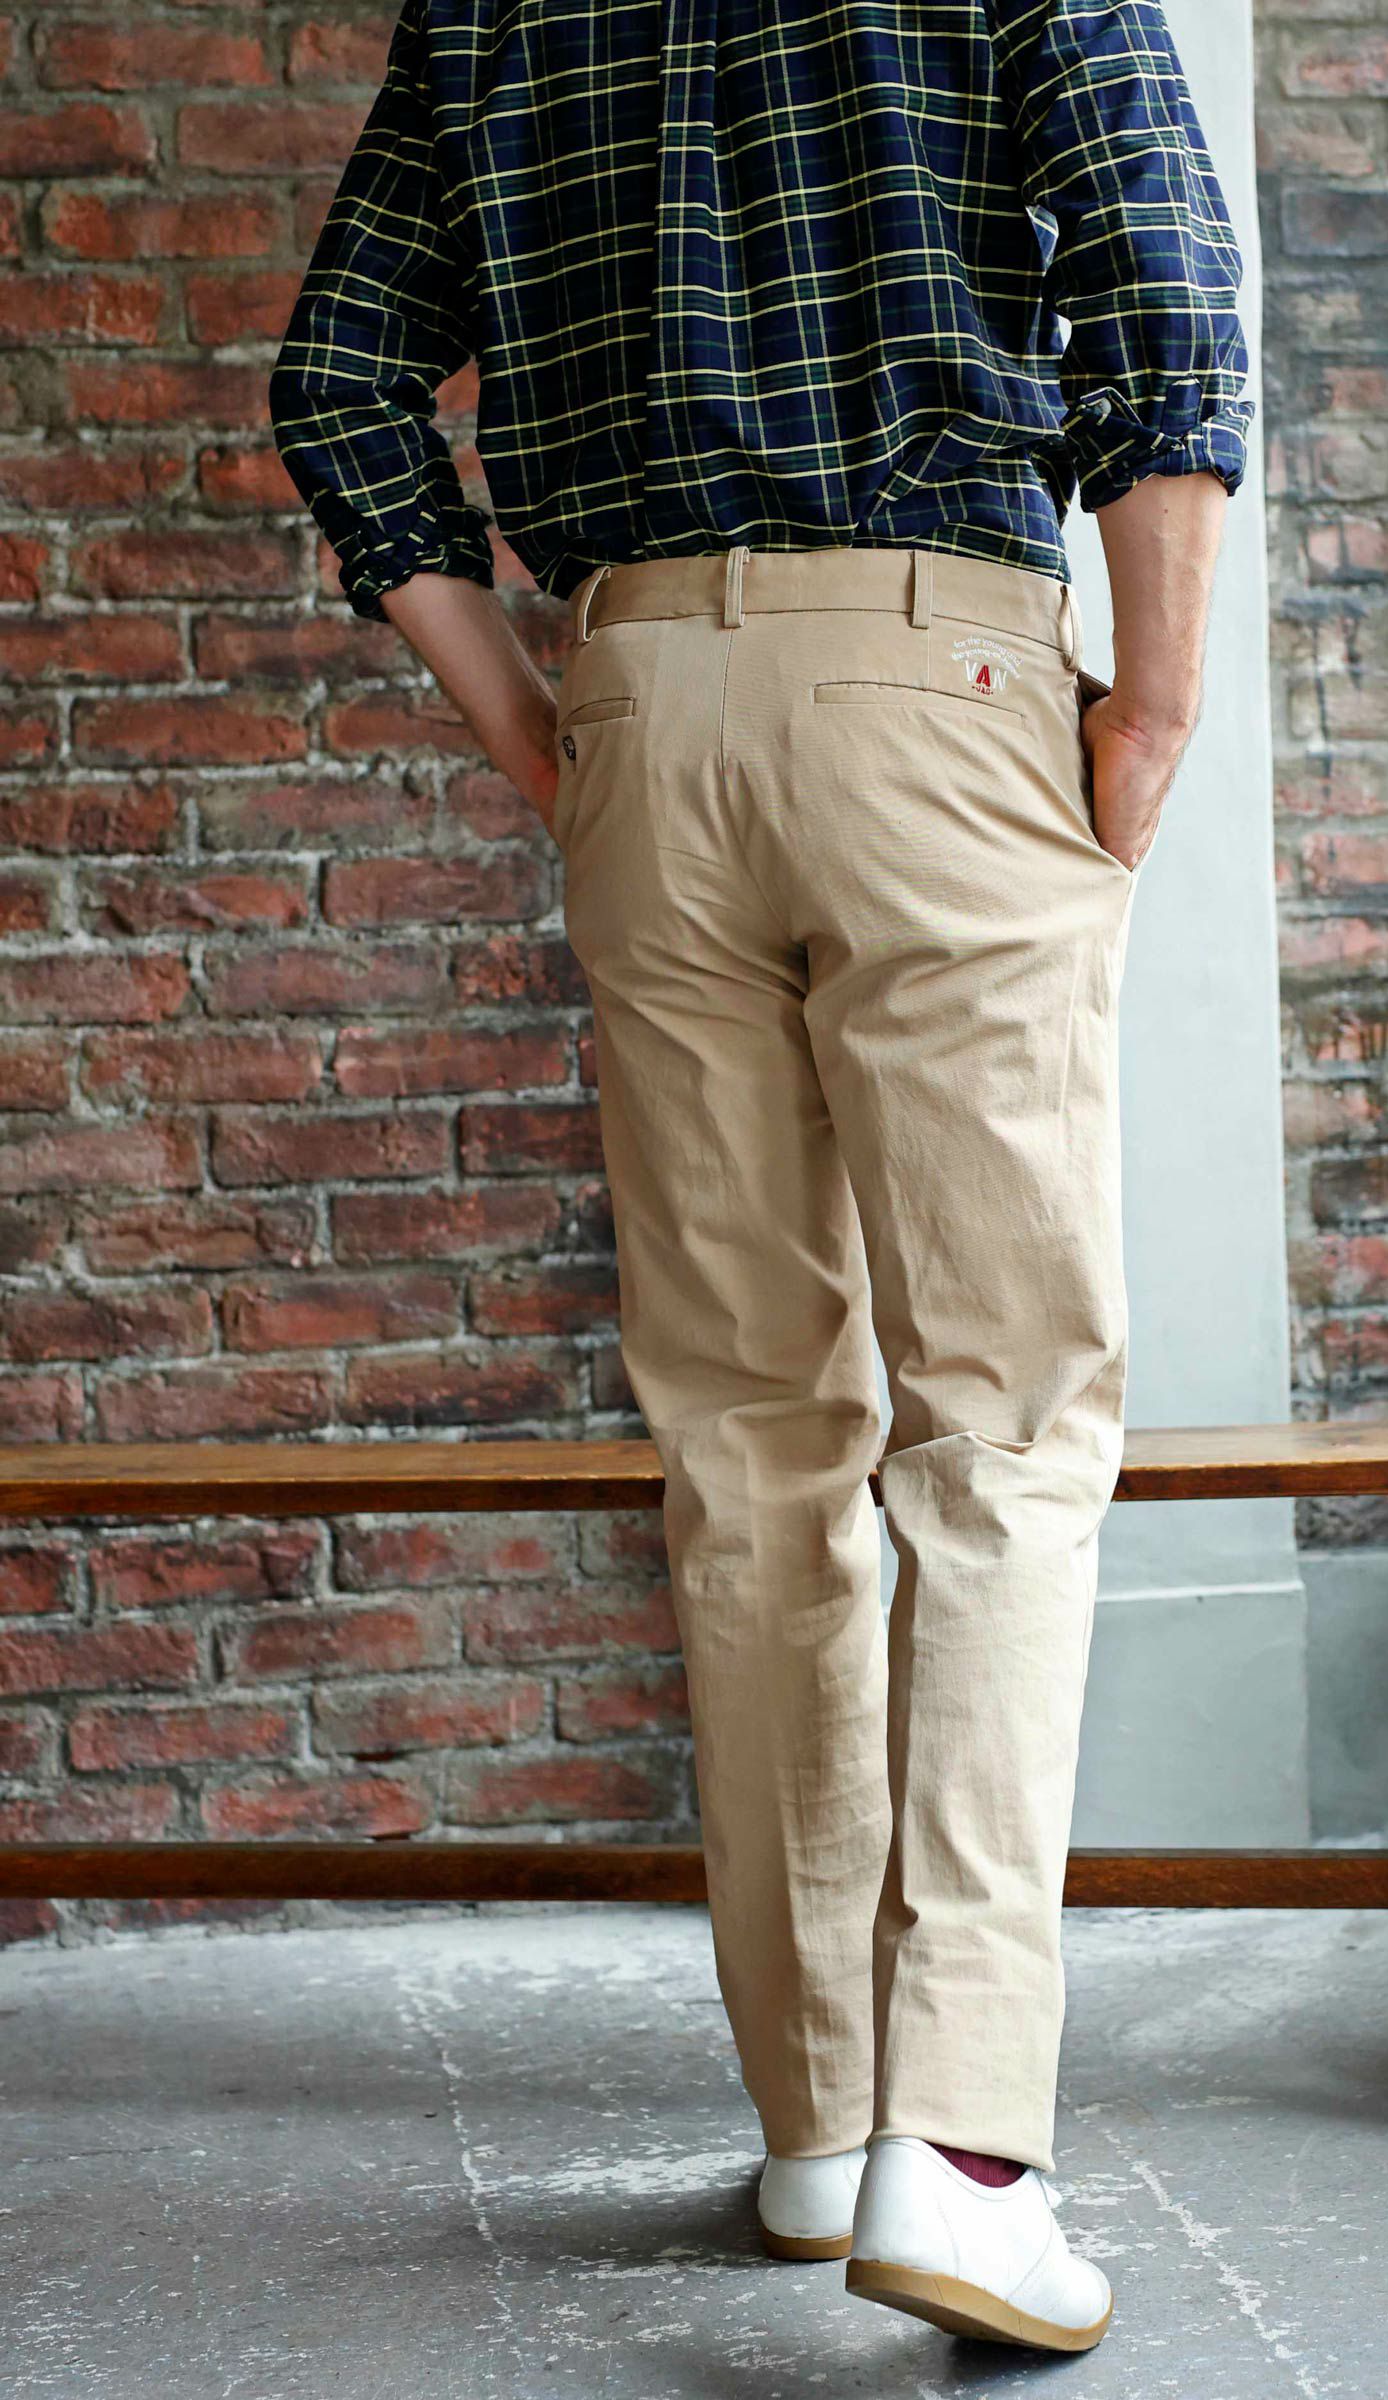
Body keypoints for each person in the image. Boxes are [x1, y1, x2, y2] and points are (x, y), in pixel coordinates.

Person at [269, 0, 1252, 2354]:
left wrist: (544, 728)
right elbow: (1157, 284)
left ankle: (821, 2122)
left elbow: (339, 384)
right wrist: (1152, 699)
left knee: (752, 1438)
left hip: (644, 705)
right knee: (1001, 1426)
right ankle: (967, 2152)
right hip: (942, 680)